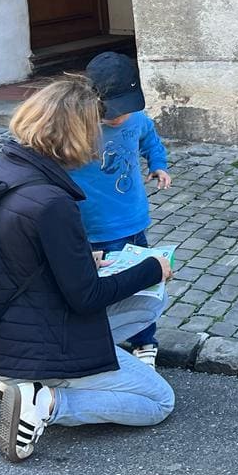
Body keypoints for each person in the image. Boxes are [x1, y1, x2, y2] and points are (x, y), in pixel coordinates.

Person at [0, 77, 176, 463]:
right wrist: (151, 268)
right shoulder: (52, 202)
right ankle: (45, 401)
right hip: (37, 343)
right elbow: (86, 297)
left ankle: (20, 380)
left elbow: (23, 259)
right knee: (159, 401)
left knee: (148, 303)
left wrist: (82, 259)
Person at [66, 51, 171, 366]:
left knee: (143, 285)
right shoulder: (77, 127)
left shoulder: (136, 119)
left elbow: (149, 138)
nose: (118, 118)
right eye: (111, 112)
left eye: (125, 110)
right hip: (94, 226)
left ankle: (144, 341)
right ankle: (101, 340)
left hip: (134, 220)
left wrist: (158, 164)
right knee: (101, 288)